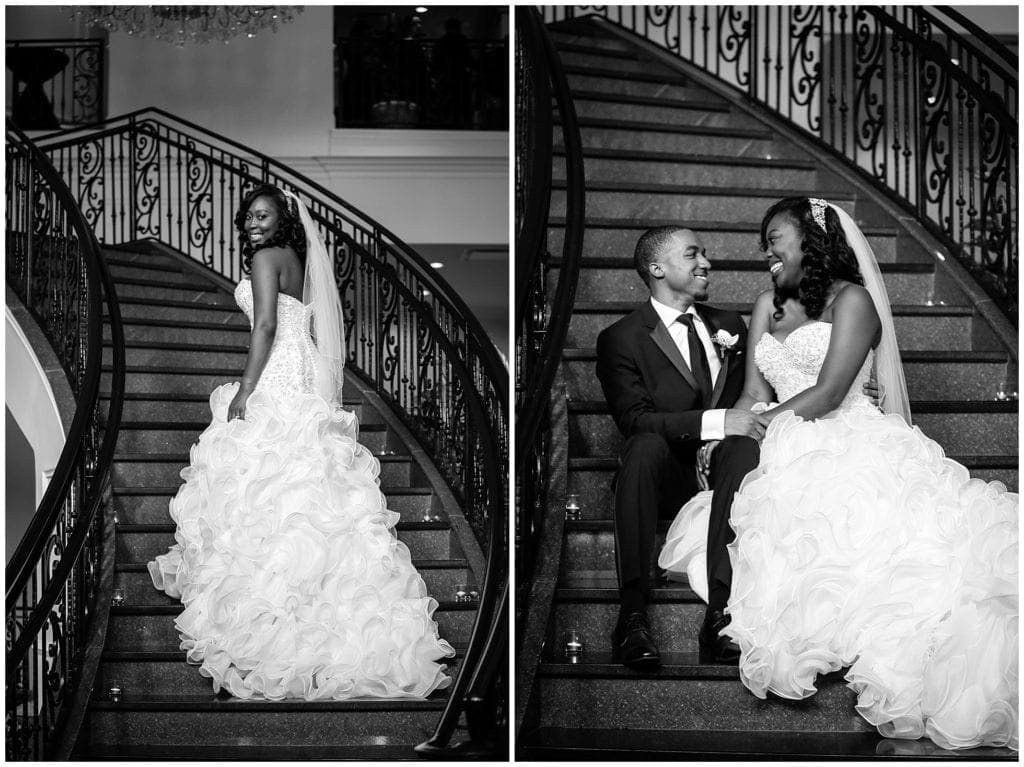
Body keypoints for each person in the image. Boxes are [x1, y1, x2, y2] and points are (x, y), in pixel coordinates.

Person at [659, 197, 1018, 751]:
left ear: (811, 239)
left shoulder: (854, 301)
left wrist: (752, 428)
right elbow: (754, 393)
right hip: (777, 437)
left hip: (844, 437)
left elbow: (828, 393)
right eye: (764, 245)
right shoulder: (765, 307)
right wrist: (731, 430)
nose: (767, 254)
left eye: (774, 239)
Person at [148, 184, 456, 701]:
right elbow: (303, 323)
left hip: (277, 372)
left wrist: (246, 388)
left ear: (281, 221)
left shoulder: (266, 258)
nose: (252, 223)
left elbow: (266, 325)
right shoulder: (301, 259)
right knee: (311, 482)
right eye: (248, 216)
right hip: (305, 367)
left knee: (267, 479)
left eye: (263, 215)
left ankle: (273, 623)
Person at [595, 226, 762, 668]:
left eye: (704, 253)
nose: (706, 263)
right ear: (657, 268)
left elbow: (752, 396)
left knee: (745, 448)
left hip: (727, 469)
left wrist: (728, 432)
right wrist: (716, 423)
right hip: (667, 473)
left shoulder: (729, 325)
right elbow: (634, 418)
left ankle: (720, 616)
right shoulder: (622, 338)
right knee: (643, 444)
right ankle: (631, 615)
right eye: (693, 255)